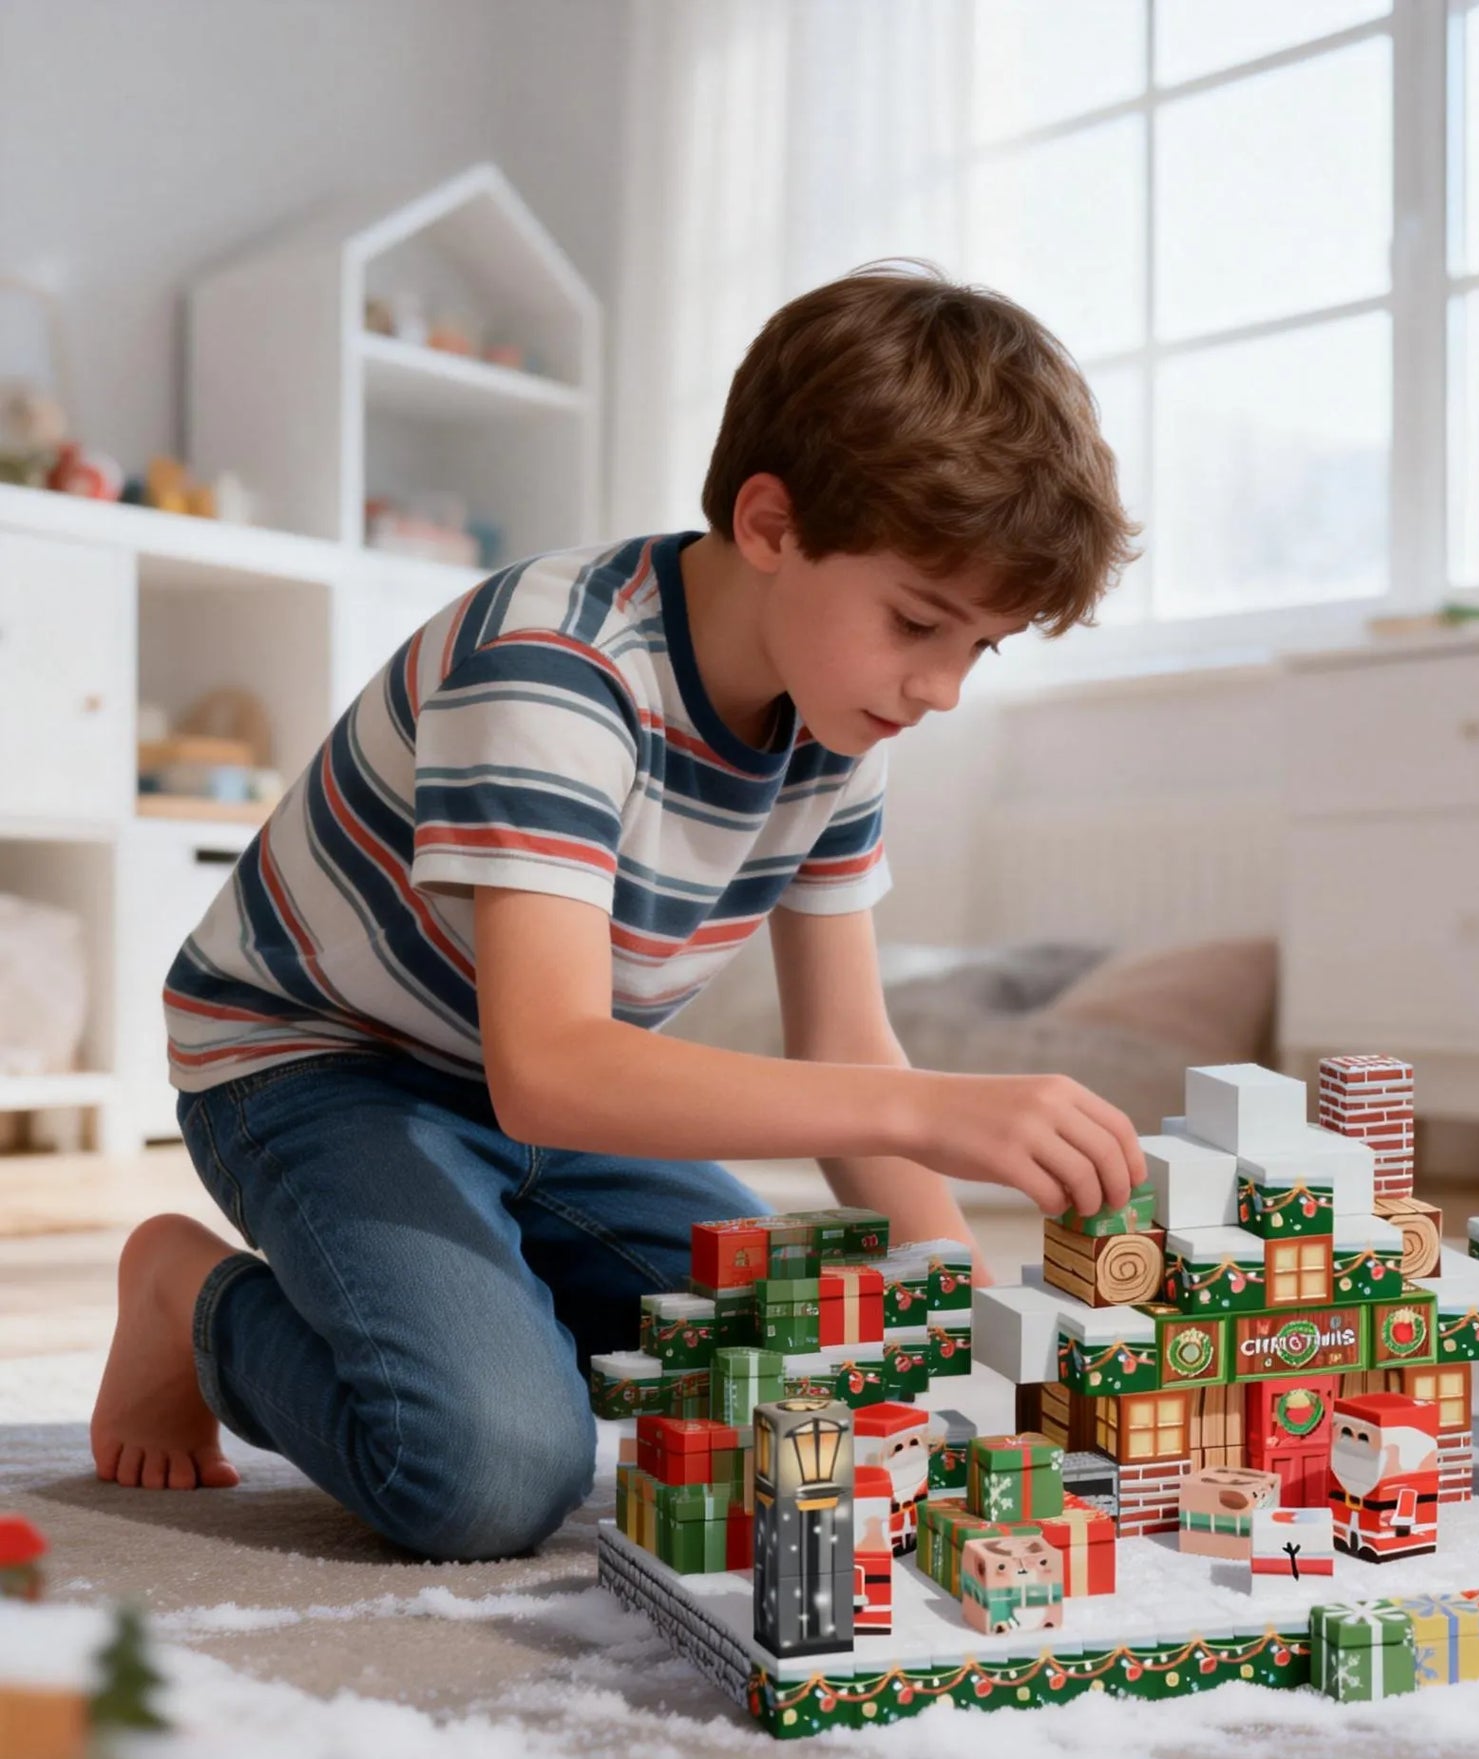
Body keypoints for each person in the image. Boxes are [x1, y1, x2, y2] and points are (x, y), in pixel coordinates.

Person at [90, 263, 1145, 1561]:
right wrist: (939, 1106)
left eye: (977, 645)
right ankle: (185, 1297)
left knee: (830, 1367)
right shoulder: (555, 667)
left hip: (554, 1099)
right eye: (920, 621)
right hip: (320, 1069)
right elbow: (554, 1069)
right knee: (487, 1471)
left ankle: (485, 1286)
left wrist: (971, 1343)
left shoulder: (838, 718)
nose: (940, 686)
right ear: (769, 524)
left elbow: (844, 1050)